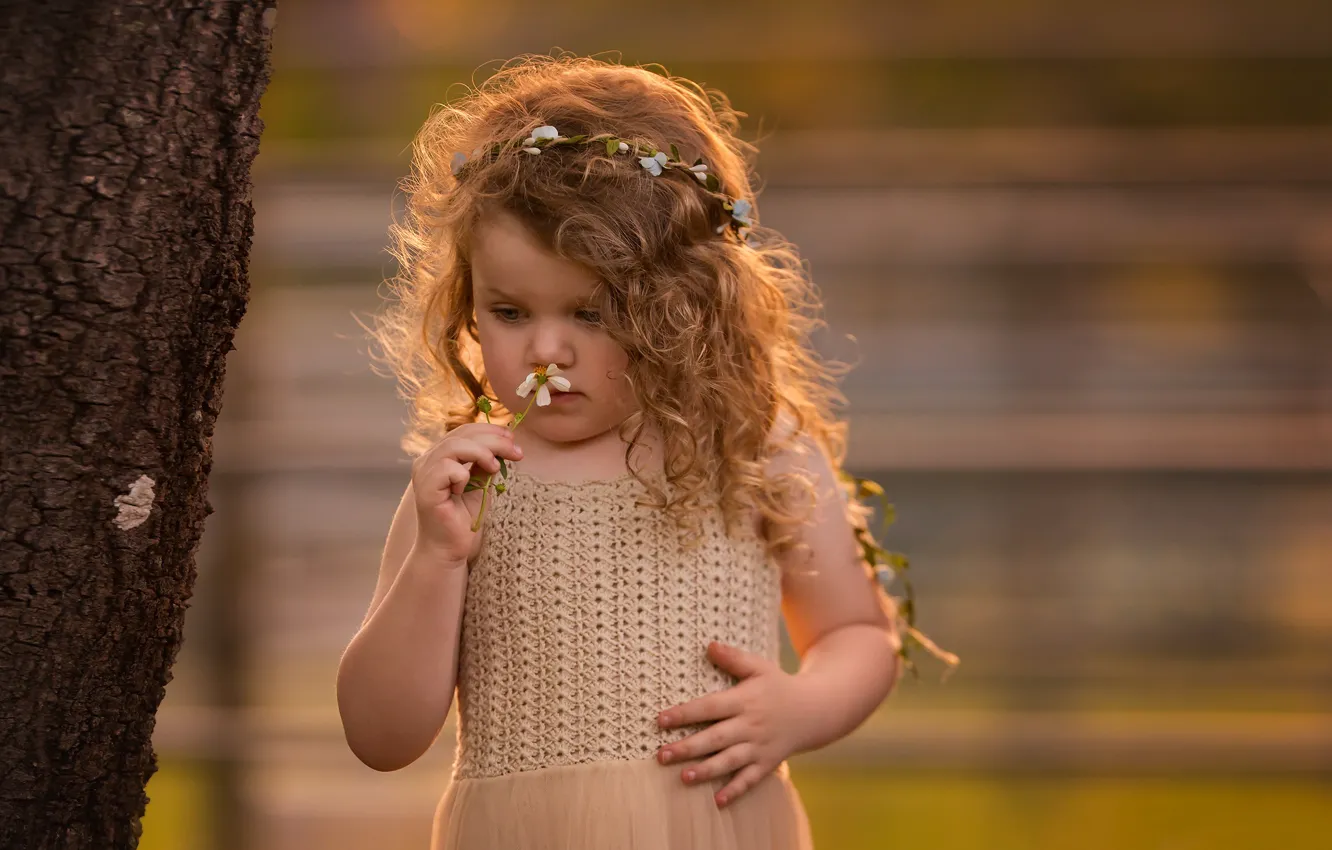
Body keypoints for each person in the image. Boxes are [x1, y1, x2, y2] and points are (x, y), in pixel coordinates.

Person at [336, 54, 907, 850]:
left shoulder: (750, 448)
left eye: (593, 314)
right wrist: (435, 557)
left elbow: (857, 633)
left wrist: (801, 710)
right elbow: (380, 735)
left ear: (685, 307)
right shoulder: (471, 481)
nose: (545, 351)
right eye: (507, 310)